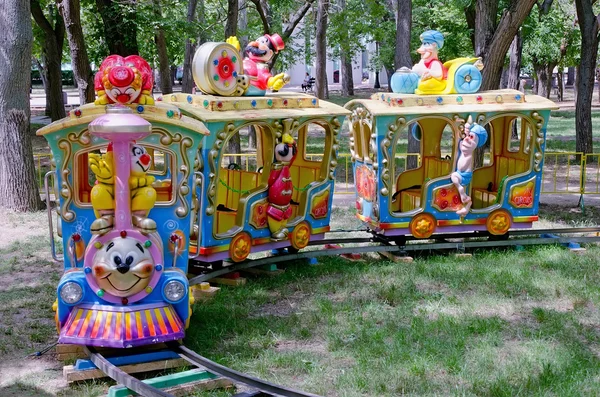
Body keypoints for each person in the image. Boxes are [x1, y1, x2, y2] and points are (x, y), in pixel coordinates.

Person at [450, 119, 487, 217]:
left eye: (471, 137)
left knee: (454, 176)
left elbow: (462, 167)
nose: (466, 139)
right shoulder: (466, 149)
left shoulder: (468, 155)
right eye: (467, 136)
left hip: (465, 176)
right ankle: (465, 202)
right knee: (454, 176)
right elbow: (461, 143)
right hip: (461, 174)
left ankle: (464, 200)